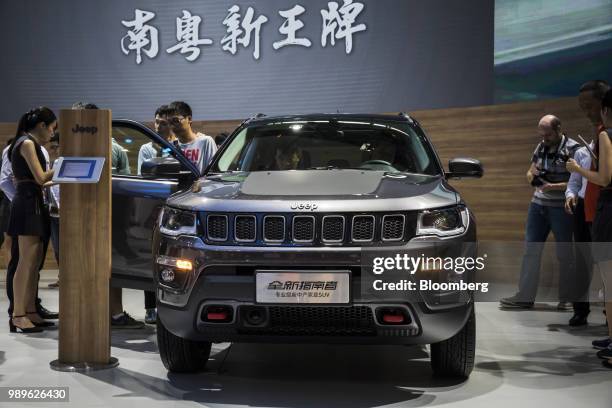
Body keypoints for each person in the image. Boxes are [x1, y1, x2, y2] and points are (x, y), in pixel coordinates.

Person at [71, 102, 143, 329]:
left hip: (101, 218)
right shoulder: (112, 148)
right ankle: (112, 315)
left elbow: (126, 187)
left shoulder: (78, 148)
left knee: (106, 266)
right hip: (101, 218)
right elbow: (128, 186)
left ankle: (96, 314)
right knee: (110, 266)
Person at [500, 115, 580, 309]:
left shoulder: (574, 149)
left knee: (565, 253)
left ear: (559, 128)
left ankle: (567, 299)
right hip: (538, 206)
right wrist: (531, 178)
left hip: (562, 208)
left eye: (548, 134)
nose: (544, 138)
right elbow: (530, 171)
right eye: (542, 134)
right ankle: (525, 297)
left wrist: (552, 186)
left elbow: (578, 182)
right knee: (531, 251)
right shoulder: (541, 146)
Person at [568, 88, 612, 364]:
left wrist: (578, 169)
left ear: (605, 109)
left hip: (610, 210)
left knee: (610, 284)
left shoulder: (607, 135)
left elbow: (605, 178)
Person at [7, 107, 56, 333]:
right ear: (42, 126)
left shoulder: (27, 142)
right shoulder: (26, 143)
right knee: (25, 262)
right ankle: (18, 315)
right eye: (52, 128)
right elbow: (40, 177)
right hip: (26, 204)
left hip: (33, 201)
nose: (53, 134)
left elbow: (40, 182)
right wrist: (62, 167)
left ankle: (30, 311)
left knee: (34, 261)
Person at [167, 101, 216, 174]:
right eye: (170, 122)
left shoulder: (205, 142)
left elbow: (212, 172)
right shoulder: (171, 147)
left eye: (176, 121)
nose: (172, 126)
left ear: (189, 119)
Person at [137, 104, 177, 175]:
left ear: (171, 126)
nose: (158, 127)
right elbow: (142, 176)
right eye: (157, 122)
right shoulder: (146, 149)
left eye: (163, 123)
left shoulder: (177, 147)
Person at [46, 132, 60, 288]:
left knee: (66, 247)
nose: (54, 150)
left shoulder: (67, 162)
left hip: (67, 212)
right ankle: (61, 275)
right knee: (57, 248)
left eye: (56, 147)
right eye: (52, 147)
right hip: (54, 211)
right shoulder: (53, 163)